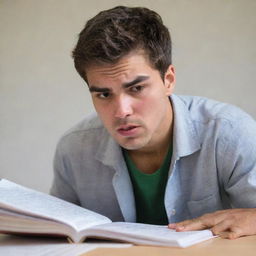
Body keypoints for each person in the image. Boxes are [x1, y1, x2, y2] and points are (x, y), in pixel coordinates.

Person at [50, 6, 256, 239]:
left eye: (136, 88)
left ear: (168, 80)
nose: (121, 111)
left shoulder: (229, 133)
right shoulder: (73, 149)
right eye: (104, 95)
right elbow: (58, 232)